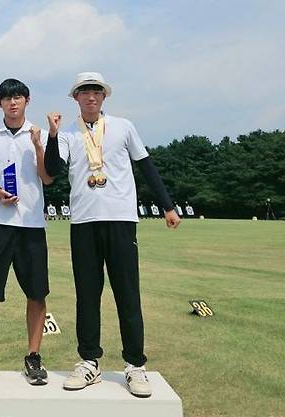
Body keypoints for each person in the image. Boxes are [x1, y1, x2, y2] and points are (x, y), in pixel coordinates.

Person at [44, 72, 181, 397]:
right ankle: (89, 361)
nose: (90, 97)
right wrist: (51, 135)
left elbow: (146, 166)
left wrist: (167, 205)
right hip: (84, 223)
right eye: (84, 92)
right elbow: (50, 169)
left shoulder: (123, 126)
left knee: (127, 293)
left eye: (96, 92)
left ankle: (135, 365)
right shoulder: (66, 135)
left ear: (104, 97)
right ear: (75, 98)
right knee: (87, 295)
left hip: (120, 219)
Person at [0, 78, 53, 386]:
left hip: (31, 226)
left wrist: (38, 145)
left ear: (27, 100)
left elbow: (47, 178)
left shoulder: (39, 134)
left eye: (18, 97)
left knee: (36, 292)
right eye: (7, 98)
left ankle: (33, 356)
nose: (13, 102)